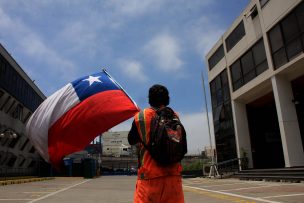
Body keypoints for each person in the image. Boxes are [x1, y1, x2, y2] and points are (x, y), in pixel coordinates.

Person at [128, 84, 185, 203]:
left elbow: (131, 140)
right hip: (174, 178)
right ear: (167, 99)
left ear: (150, 99)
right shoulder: (174, 116)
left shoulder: (141, 116)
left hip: (149, 178)